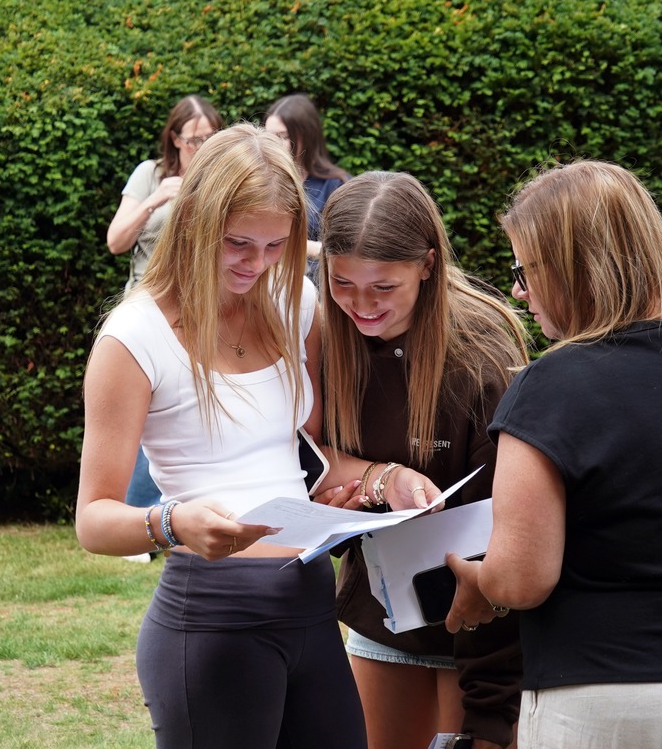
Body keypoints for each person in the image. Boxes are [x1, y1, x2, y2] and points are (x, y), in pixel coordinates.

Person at [76, 123, 436, 748]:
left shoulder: (295, 303)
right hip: (210, 616)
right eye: (238, 243)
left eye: (276, 245)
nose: (257, 264)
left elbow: (310, 459)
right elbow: (93, 519)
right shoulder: (133, 338)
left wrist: (383, 479)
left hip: (310, 604)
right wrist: (173, 523)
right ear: (192, 217)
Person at [450, 160, 662, 748]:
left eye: (524, 269)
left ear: (572, 267)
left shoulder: (552, 386)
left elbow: (521, 579)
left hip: (614, 691)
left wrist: (477, 580)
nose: (518, 290)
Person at [316, 171, 528, 749]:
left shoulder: (483, 349)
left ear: (428, 265)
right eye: (342, 283)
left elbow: (512, 518)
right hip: (383, 615)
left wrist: (490, 711)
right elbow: (305, 462)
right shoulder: (323, 340)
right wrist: (361, 491)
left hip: (482, 617)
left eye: (383, 288)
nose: (361, 306)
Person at [105, 94, 224, 529]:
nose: (201, 147)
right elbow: (116, 241)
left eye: (211, 138)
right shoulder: (149, 175)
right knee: (134, 414)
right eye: (194, 140)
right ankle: (132, 516)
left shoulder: (218, 181)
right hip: (145, 307)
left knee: (185, 415)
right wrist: (156, 200)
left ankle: (181, 514)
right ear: (174, 139)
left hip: (202, 314)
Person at [265, 92, 350, 280]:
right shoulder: (264, 180)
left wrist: (303, 247)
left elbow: (350, 252)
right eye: (269, 137)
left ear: (306, 136)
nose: (273, 145)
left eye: (282, 136)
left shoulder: (337, 185)